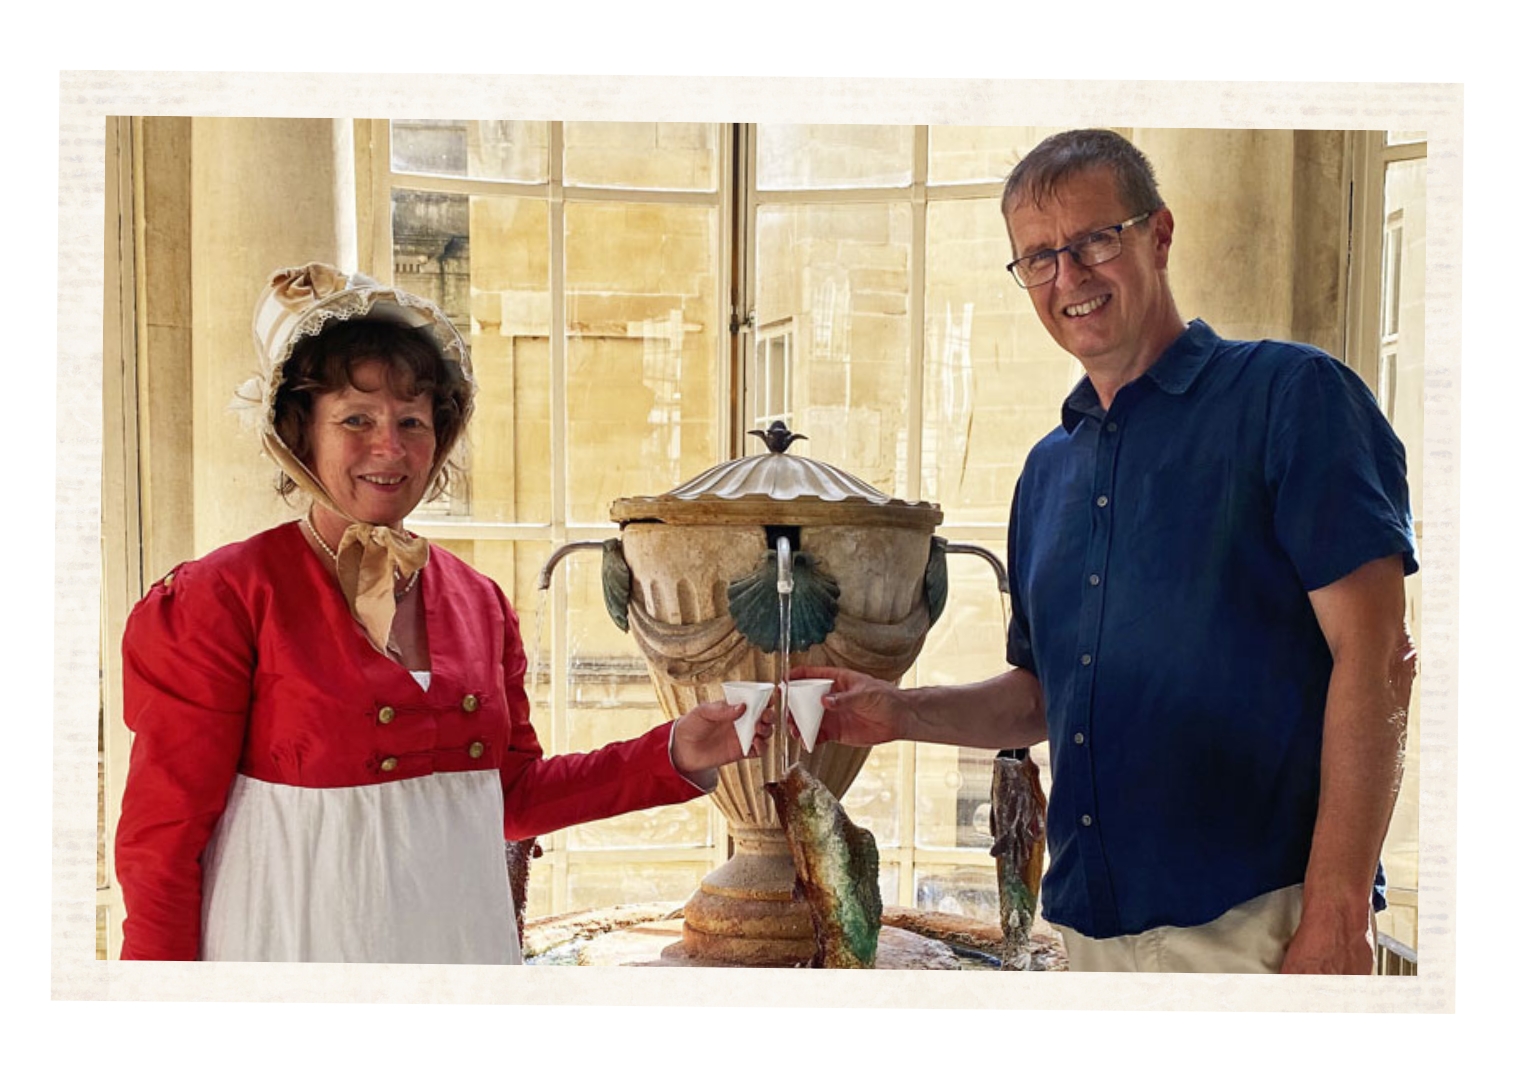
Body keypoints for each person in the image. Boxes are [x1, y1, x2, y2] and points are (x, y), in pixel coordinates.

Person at [793, 130, 1417, 974]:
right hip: (1090, 933)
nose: (1069, 277)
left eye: (1094, 240)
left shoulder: (1293, 398)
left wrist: (1338, 910)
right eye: (1038, 258)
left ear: (1159, 234)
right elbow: (1043, 698)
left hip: (1263, 925)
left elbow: (1378, 657)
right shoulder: (1046, 472)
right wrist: (898, 713)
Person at [114, 262, 770, 963]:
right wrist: (161, 999)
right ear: (299, 433)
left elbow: (511, 798)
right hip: (289, 962)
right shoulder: (221, 599)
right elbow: (162, 844)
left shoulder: (478, 602)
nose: (390, 448)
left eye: (412, 422)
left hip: (460, 954)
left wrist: (675, 752)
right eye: (356, 420)